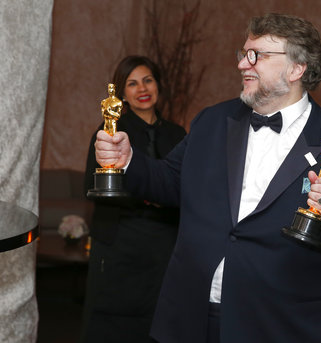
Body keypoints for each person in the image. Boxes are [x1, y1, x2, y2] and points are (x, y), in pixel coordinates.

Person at [95, 14, 321, 343]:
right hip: (193, 315)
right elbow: (171, 180)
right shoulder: (213, 121)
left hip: (281, 324)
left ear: (296, 69)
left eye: (257, 55)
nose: (243, 65)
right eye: (243, 53)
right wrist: (129, 161)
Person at [81, 56, 186, 343]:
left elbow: (187, 185)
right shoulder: (110, 132)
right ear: (122, 94)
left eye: (148, 80)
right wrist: (149, 195)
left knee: (159, 322)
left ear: (158, 85)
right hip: (121, 244)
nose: (142, 88)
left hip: (164, 245)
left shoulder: (178, 134)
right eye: (132, 83)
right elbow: (92, 185)